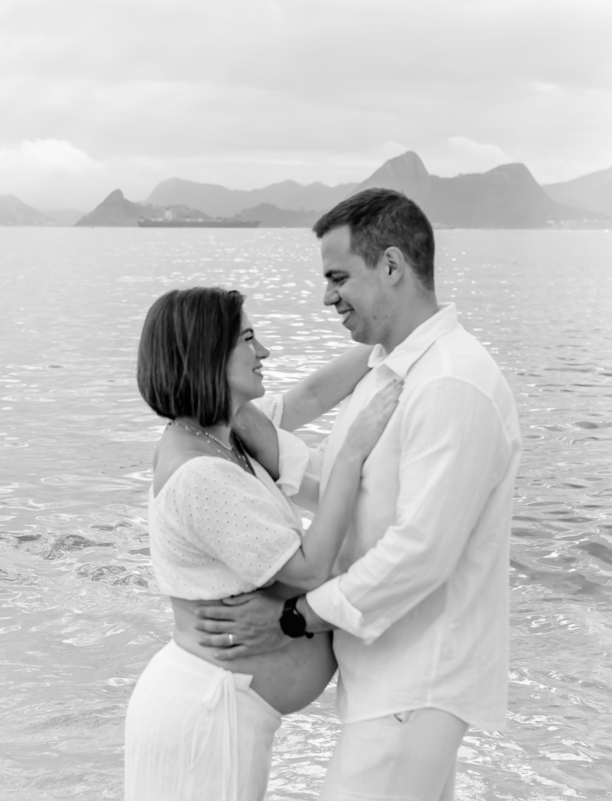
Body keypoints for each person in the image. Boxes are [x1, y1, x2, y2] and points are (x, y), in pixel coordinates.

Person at [195, 189, 523, 800]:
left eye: (338, 276)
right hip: (388, 679)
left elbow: (420, 552)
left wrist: (294, 618)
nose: (327, 296)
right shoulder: (390, 370)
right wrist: (271, 447)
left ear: (393, 266)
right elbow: (365, 491)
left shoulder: (451, 383)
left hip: (416, 680)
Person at [124, 286, 403, 801]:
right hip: (209, 716)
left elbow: (313, 396)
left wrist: (399, 337)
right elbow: (310, 569)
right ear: (209, 355)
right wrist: (351, 452)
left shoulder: (225, 431)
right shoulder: (200, 473)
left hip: (224, 708)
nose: (265, 351)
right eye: (248, 339)